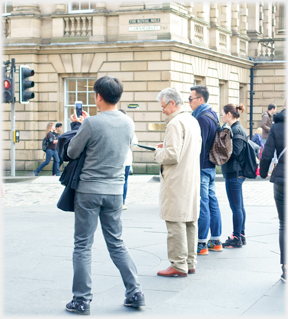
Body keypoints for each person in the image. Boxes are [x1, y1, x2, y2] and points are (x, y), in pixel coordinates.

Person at [65, 75, 145, 315]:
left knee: (82, 246)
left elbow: (71, 151)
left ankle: (81, 300)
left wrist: (80, 126)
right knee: (117, 243)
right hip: (115, 191)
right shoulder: (128, 123)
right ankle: (135, 291)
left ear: (98, 97)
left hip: (89, 190)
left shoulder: (91, 124)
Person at [154, 88, 202, 277]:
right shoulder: (192, 120)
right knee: (189, 220)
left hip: (176, 179)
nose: (163, 110)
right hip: (190, 176)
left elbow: (172, 155)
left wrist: (158, 152)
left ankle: (178, 264)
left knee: (175, 221)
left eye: (163, 106)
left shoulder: (175, 123)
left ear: (172, 103)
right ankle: (190, 262)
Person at [189, 85, 223, 255]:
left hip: (202, 167)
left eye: (191, 99)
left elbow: (199, 147)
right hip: (210, 166)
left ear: (200, 99)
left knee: (203, 204)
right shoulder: (212, 114)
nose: (189, 102)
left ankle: (201, 243)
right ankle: (216, 240)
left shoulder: (201, 118)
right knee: (212, 202)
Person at [260, 107, 286, 282]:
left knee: (284, 224)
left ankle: (286, 268)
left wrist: (262, 172)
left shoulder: (277, 126)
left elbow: (267, 154)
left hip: (282, 179)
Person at [221, 104, 247, 248]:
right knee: (239, 207)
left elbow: (235, 153)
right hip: (237, 173)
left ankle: (236, 237)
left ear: (229, 114)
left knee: (236, 207)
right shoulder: (238, 128)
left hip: (234, 173)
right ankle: (240, 234)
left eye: (223, 114)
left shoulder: (236, 130)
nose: (222, 117)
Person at [118, 109, 138, 210]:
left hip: (114, 159)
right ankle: (122, 202)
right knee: (124, 181)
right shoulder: (129, 127)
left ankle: (115, 202)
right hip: (126, 159)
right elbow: (134, 144)